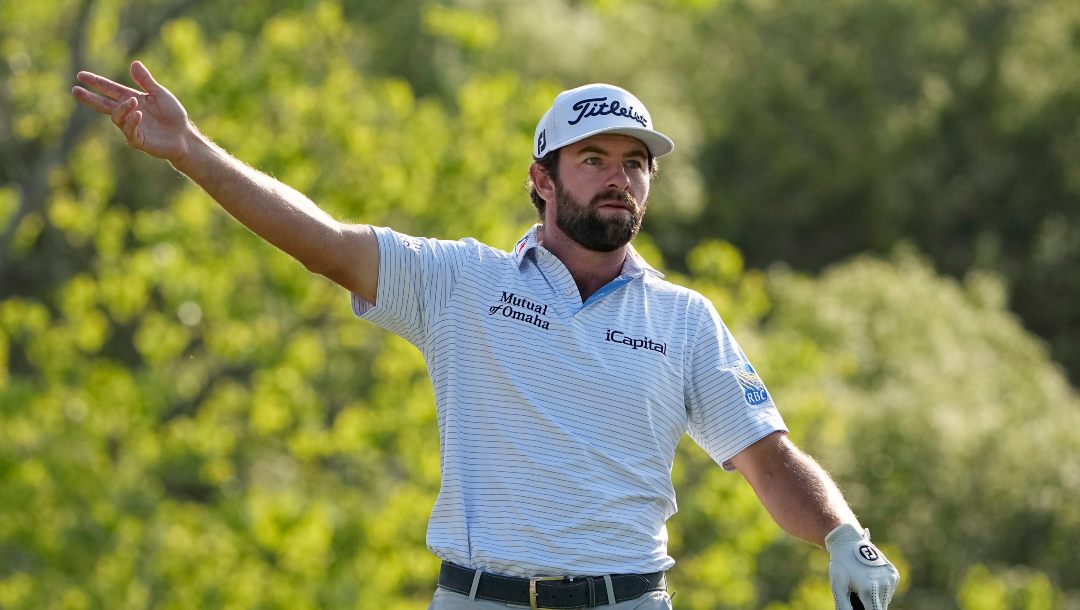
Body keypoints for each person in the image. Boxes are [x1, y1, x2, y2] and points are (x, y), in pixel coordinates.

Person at [72, 61, 900, 610]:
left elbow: (767, 457)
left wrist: (842, 535)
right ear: (542, 180)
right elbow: (321, 240)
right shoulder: (461, 282)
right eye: (594, 159)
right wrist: (190, 153)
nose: (620, 176)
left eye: (635, 162)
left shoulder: (684, 319)